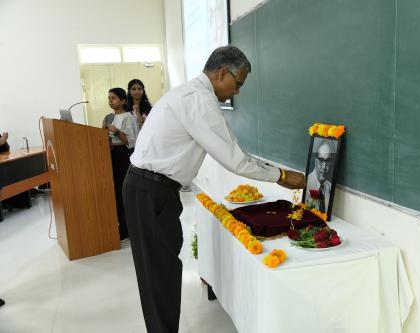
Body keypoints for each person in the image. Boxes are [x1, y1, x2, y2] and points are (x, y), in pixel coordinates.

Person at [122, 45, 306, 333]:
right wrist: (282, 175)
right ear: (222, 73)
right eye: (239, 83)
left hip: (149, 188)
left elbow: (230, 150)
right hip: (150, 190)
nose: (238, 91)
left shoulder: (190, 94)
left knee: (160, 273)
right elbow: (235, 159)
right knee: (159, 276)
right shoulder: (199, 100)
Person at [105, 87, 139, 241]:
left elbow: (130, 142)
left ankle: (127, 230)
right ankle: (120, 226)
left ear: (123, 100)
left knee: (122, 193)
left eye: (114, 98)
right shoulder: (109, 117)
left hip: (123, 157)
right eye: (109, 98)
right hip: (111, 155)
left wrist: (116, 131)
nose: (110, 101)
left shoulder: (128, 117)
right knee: (115, 194)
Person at [305, 140, 335, 212]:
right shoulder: (305, 184)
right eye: (321, 160)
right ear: (315, 160)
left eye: (328, 161)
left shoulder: (330, 187)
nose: (324, 166)